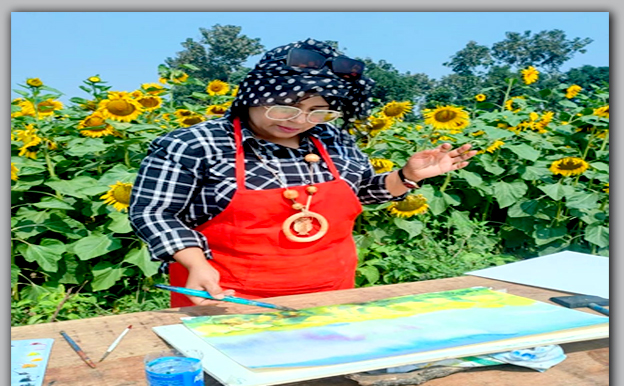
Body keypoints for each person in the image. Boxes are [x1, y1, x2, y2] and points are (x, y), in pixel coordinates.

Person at [129, 38, 477, 308]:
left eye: (317, 111)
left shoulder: (333, 139)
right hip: (224, 295)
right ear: (256, 94)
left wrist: (407, 175)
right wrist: (195, 264)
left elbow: (361, 192)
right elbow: (153, 211)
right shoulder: (195, 143)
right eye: (285, 107)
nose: (298, 121)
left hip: (330, 293)